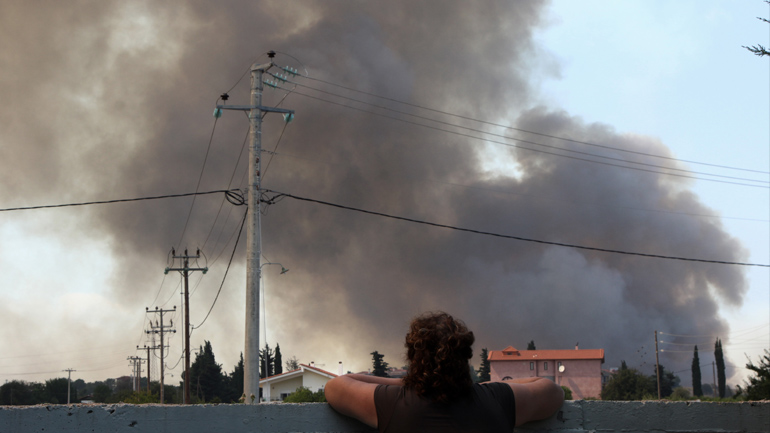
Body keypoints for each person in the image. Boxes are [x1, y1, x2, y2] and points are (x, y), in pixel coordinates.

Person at [325, 311, 564, 432]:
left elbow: (336, 385)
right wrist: (480, 388)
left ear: (413, 357)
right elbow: (552, 390)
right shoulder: (497, 400)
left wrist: (412, 383)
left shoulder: (392, 404)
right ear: (465, 358)